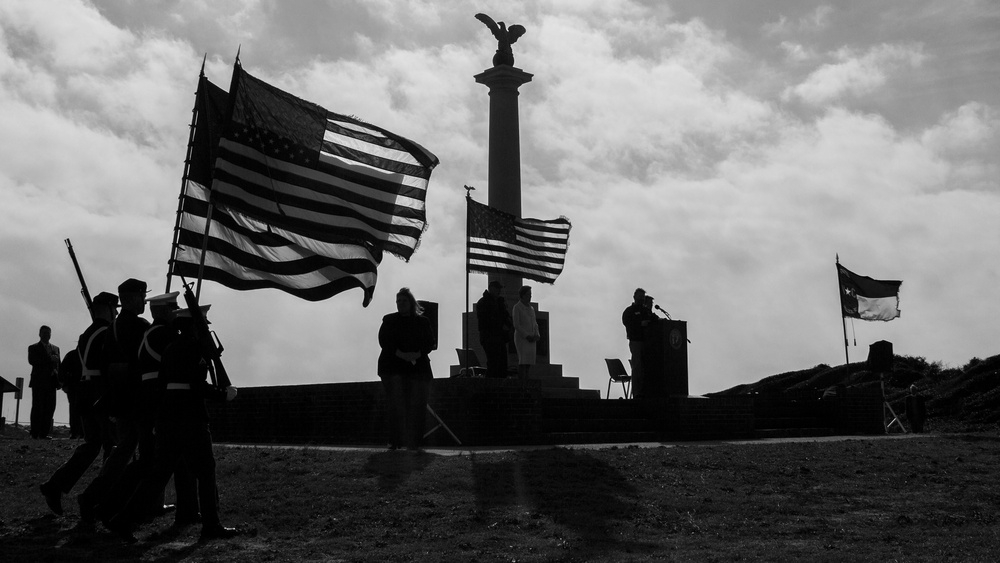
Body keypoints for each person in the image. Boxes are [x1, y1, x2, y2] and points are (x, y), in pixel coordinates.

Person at [108, 308, 239, 543]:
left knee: (157, 476)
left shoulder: (172, 347)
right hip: (190, 418)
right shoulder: (193, 349)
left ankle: (122, 520)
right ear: (194, 327)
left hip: (169, 418)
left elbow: (167, 384)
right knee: (206, 471)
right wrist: (223, 394)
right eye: (203, 326)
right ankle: (211, 525)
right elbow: (196, 386)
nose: (206, 329)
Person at [97, 292, 198, 527]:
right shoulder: (164, 335)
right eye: (173, 308)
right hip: (157, 403)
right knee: (152, 462)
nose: (177, 312)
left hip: (148, 402)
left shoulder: (152, 332)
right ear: (162, 311)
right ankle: (112, 509)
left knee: (154, 461)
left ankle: (110, 507)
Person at [77, 278, 151, 524]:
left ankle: (96, 497)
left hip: (120, 399)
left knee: (122, 453)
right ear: (131, 298)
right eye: (141, 296)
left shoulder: (112, 329)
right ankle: (116, 505)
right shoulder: (141, 326)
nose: (144, 301)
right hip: (139, 399)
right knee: (144, 457)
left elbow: (106, 364)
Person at [39, 291, 119, 516]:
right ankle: (101, 498)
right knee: (111, 446)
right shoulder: (105, 332)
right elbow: (107, 366)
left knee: (93, 445)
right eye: (115, 309)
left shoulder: (88, 333)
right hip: (100, 393)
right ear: (109, 309)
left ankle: (55, 486)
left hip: (86, 393)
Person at [377, 287, 435, 451]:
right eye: (398, 301)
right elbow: (384, 340)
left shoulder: (423, 322)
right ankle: (394, 441)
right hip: (393, 368)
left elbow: (429, 342)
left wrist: (416, 354)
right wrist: (400, 354)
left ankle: (415, 442)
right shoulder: (389, 320)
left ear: (411, 302)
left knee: (417, 406)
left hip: (418, 369)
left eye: (403, 301)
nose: (400, 304)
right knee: (396, 405)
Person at [28, 325, 61, 439]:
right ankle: (35, 432)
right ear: (39, 334)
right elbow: (33, 361)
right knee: (38, 407)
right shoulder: (33, 348)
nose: (46, 335)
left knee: (50, 407)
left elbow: (59, 365)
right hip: (39, 382)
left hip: (52, 382)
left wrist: (60, 380)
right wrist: (49, 359)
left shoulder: (56, 348)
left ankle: (44, 433)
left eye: (48, 333)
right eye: (44, 333)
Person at [476, 280, 513, 378]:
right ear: (491, 289)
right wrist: (501, 325)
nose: (499, 291)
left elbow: (506, 316)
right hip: (489, 337)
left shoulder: (500, 303)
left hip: (500, 338)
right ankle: (489, 388)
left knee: (502, 364)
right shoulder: (483, 302)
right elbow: (486, 320)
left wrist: (509, 324)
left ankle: (500, 388)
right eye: (497, 289)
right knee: (493, 363)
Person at [622, 288, 653, 398]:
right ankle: (637, 393)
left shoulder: (646, 311)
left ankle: (648, 392)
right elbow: (627, 323)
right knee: (637, 367)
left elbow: (654, 320)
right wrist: (640, 324)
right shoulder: (629, 311)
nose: (641, 299)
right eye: (640, 297)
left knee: (647, 368)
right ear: (634, 297)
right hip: (636, 341)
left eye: (643, 297)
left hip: (649, 343)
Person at [512, 285, 540, 379]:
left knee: (529, 362)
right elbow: (516, 324)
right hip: (522, 339)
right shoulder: (517, 307)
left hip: (532, 338)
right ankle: (522, 382)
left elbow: (535, 323)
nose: (530, 296)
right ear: (523, 295)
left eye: (531, 294)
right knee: (523, 361)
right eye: (528, 294)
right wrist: (526, 335)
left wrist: (537, 334)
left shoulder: (531, 309)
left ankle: (527, 380)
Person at [59, 348, 84, 439]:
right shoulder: (73, 355)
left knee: (77, 410)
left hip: (79, 386)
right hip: (74, 386)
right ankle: (75, 431)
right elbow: (62, 370)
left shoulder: (72, 354)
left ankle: (80, 432)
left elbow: (62, 370)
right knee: (75, 409)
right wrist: (64, 384)